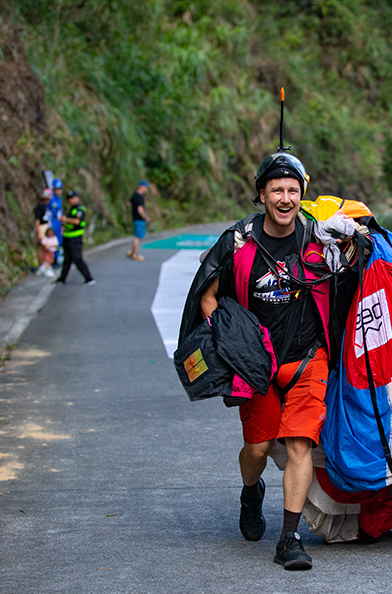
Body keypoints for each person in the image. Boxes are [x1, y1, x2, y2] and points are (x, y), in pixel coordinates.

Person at [186, 151, 343, 571]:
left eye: (293, 190)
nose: (286, 197)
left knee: (300, 444)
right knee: (256, 448)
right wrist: (227, 339)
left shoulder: (319, 237)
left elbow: (350, 271)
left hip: (309, 359)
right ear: (262, 195)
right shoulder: (238, 242)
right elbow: (207, 294)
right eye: (277, 190)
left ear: (302, 195)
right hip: (257, 367)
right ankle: (251, 491)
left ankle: (289, 538)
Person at [56, 190, 95, 286]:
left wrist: (66, 219)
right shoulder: (70, 210)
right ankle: (62, 278)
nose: (71, 200)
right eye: (69, 198)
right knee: (67, 259)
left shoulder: (79, 209)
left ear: (77, 198)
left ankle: (89, 278)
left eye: (72, 198)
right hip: (67, 237)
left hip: (75, 238)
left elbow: (78, 222)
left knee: (77, 258)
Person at [126, 180, 149, 261]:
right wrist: (145, 217)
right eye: (145, 187)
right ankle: (135, 254)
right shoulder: (139, 197)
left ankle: (130, 251)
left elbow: (129, 203)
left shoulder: (134, 195)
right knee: (138, 237)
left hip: (135, 218)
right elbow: (140, 209)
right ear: (142, 187)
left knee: (137, 236)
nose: (146, 189)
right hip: (139, 219)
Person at [33, 188, 53, 274]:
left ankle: (46, 265)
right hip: (42, 227)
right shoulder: (40, 207)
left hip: (46, 227)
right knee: (42, 247)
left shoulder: (47, 207)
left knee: (47, 246)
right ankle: (42, 265)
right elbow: (37, 220)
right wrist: (39, 232)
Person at [48, 178, 65, 267]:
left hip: (58, 222)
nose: (58, 191)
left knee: (59, 240)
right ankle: (53, 260)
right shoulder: (51, 198)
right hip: (52, 221)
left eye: (60, 189)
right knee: (52, 241)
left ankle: (59, 257)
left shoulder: (60, 199)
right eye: (57, 189)